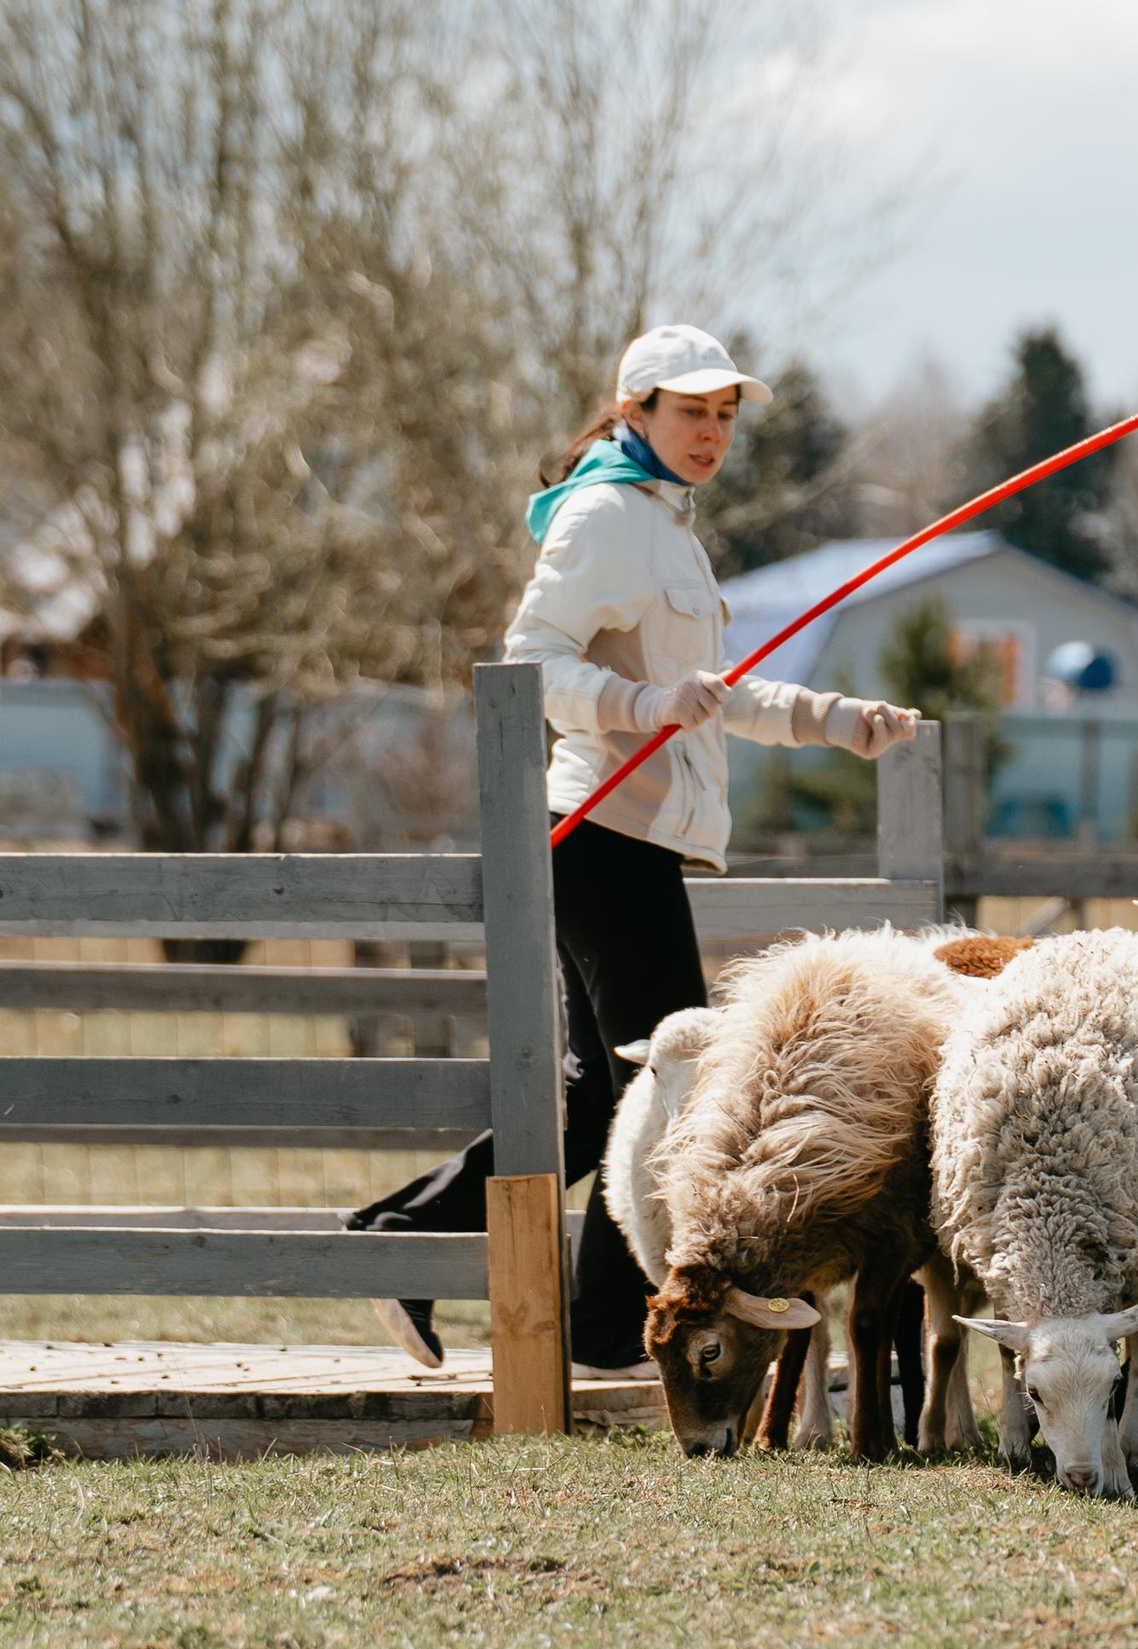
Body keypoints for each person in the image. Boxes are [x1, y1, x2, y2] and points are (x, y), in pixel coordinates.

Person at [347, 325, 918, 1376]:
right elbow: (532, 663)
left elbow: (714, 692)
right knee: (670, 1082)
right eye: (692, 411)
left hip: (624, 840)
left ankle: (412, 1243)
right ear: (634, 413)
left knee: (596, 1092)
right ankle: (604, 1324)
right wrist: (639, 701)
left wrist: (833, 718)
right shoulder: (608, 517)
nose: (713, 432)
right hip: (601, 836)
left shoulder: (662, 526)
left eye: (726, 415)